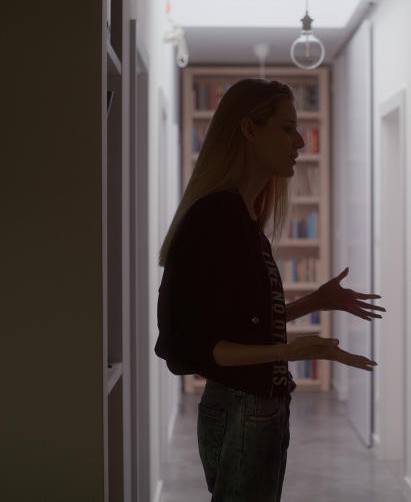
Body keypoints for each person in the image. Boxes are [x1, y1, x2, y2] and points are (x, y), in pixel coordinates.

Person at [155, 78, 384, 502]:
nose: (299, 140)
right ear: (249, 129)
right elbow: (193, 347)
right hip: (244, 406)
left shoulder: (243, 220)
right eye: (286, 127)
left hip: (262, 406)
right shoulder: (216, 219)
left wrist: (317, 301)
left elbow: (243, 322)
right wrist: (290, 350)